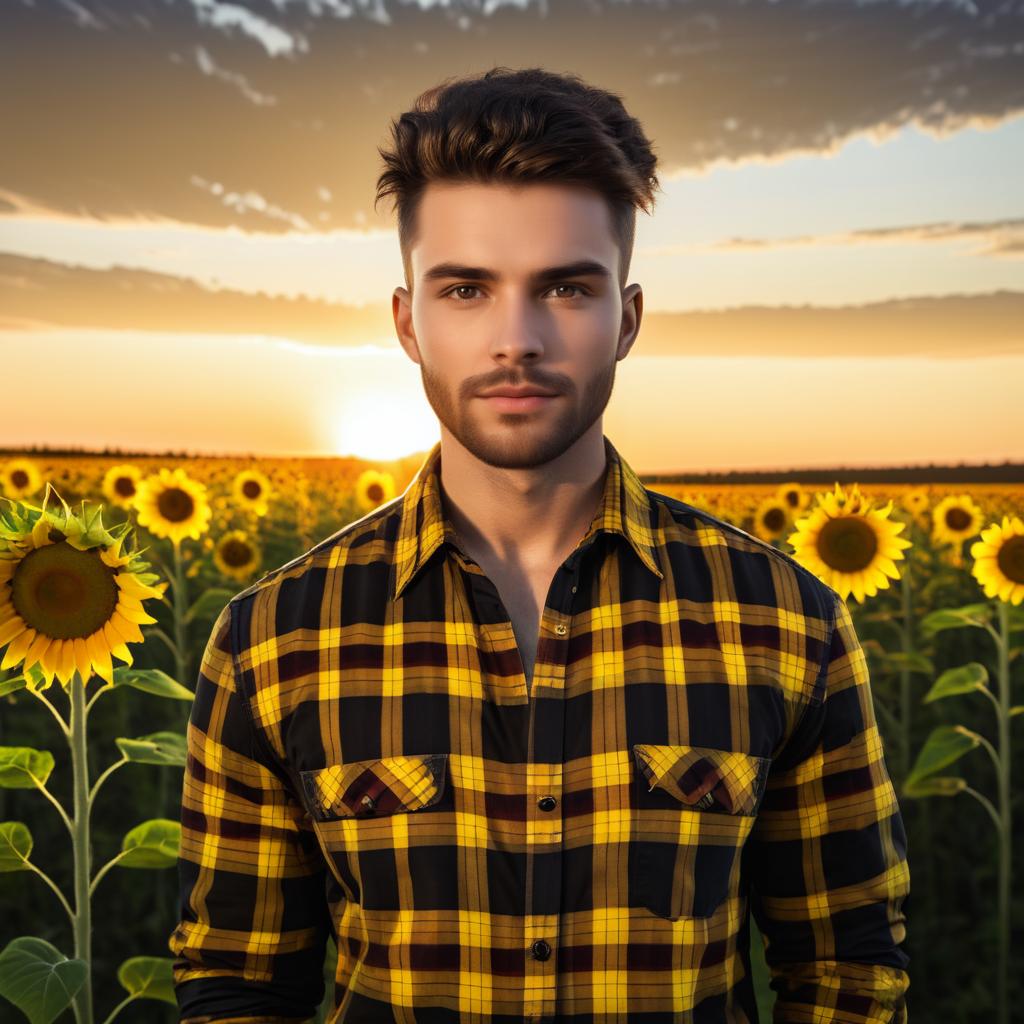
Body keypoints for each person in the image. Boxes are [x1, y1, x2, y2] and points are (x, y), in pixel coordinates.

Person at [169, 65, 910, 1023]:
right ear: (408, 322)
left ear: (627, 319)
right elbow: (237, 984)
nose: (515, 339)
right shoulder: (274, 638)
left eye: (564, 286)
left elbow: (848, 966)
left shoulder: (783, 620)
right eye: (467, 289)